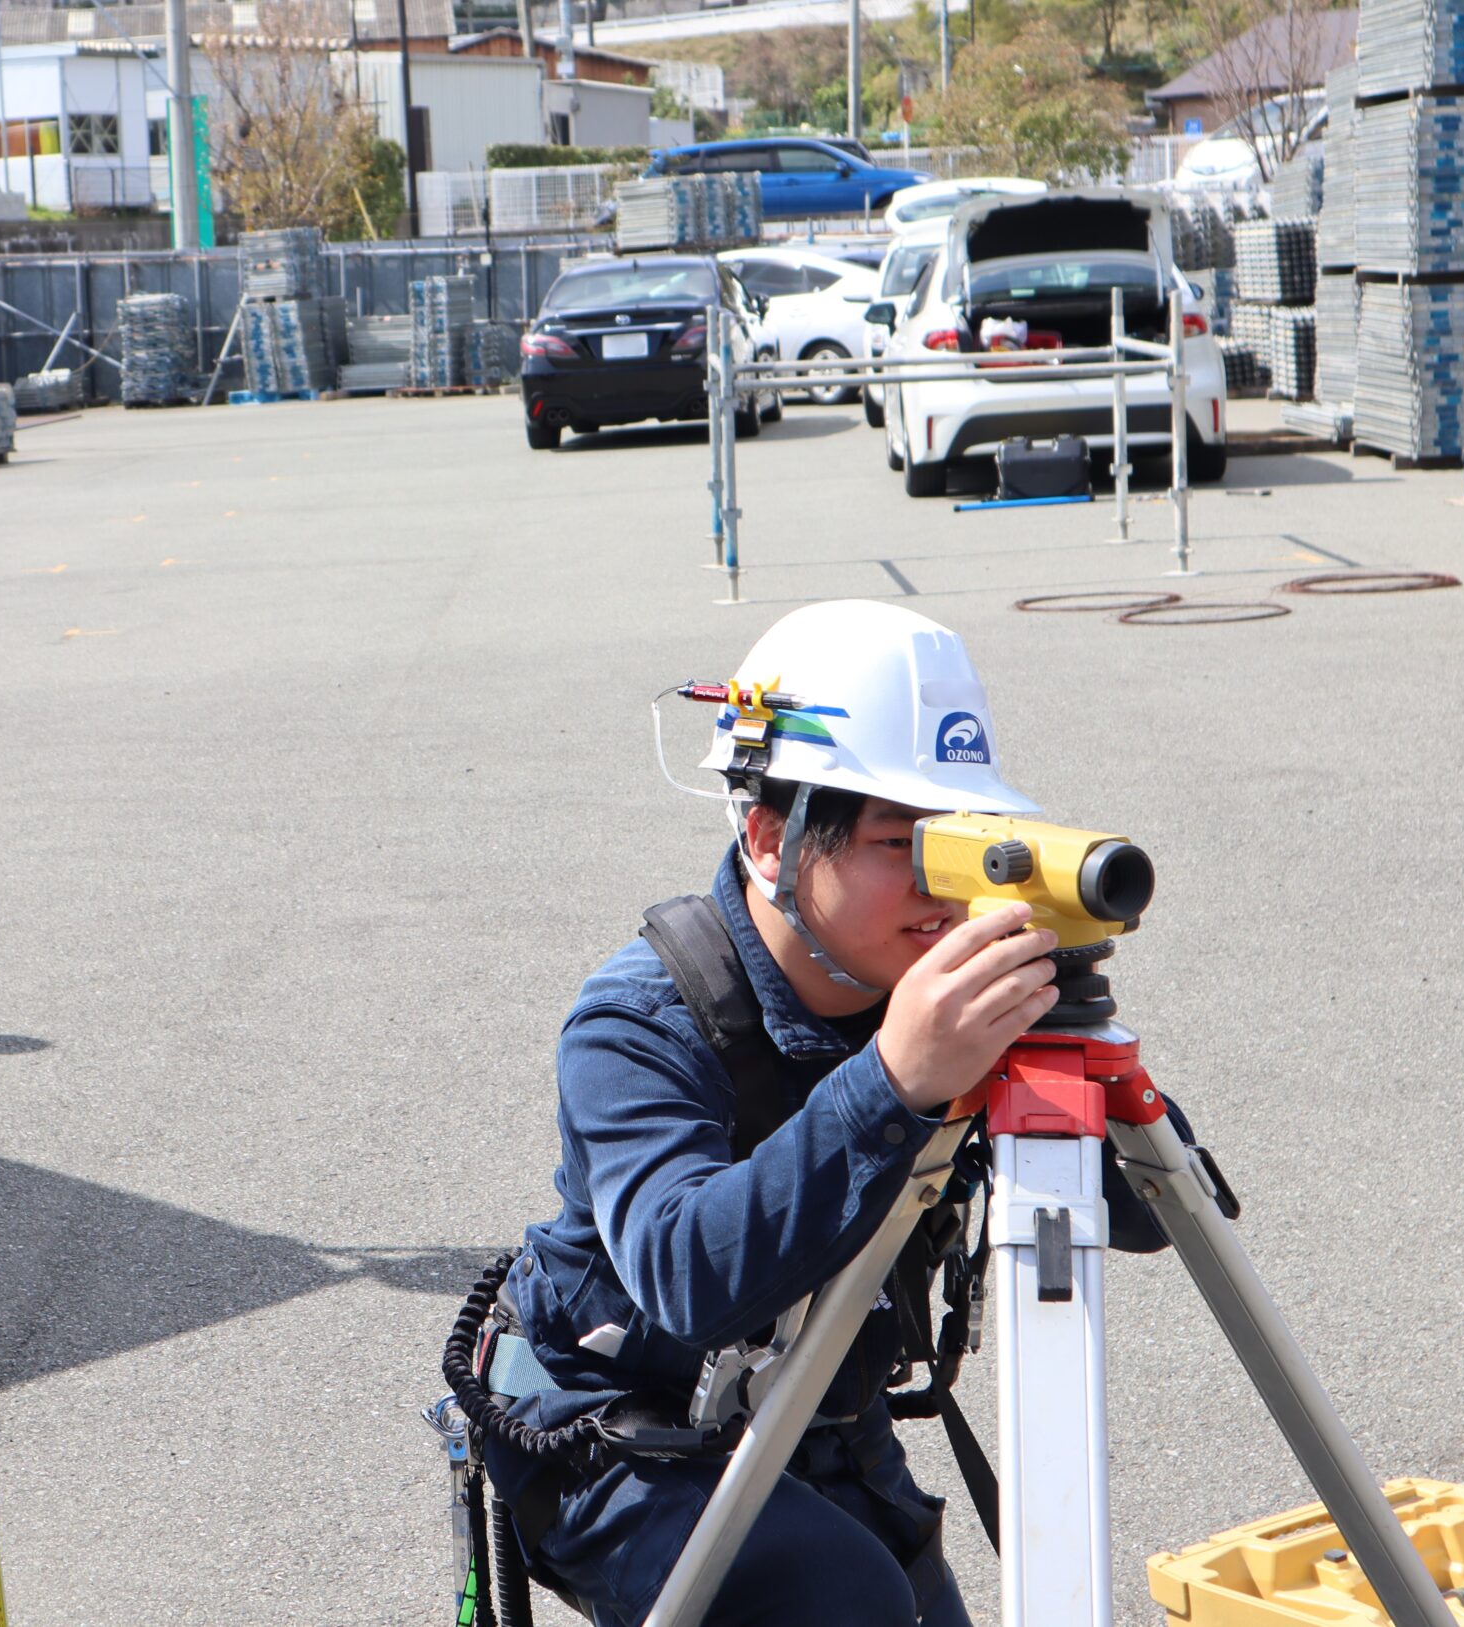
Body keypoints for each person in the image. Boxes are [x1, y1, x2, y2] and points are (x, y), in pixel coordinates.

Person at [479, 600, 1182, 1627]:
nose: (943, 888)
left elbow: (1160, 1215)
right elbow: (688, 1279)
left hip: (808, 1408)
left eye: (961, 841)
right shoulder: (635, 1022)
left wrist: (1068, 1036)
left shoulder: (918, 984)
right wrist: (897, 1076)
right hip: (618, 1433)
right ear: (771, 835)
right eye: (902, 841)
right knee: (843, 1602)